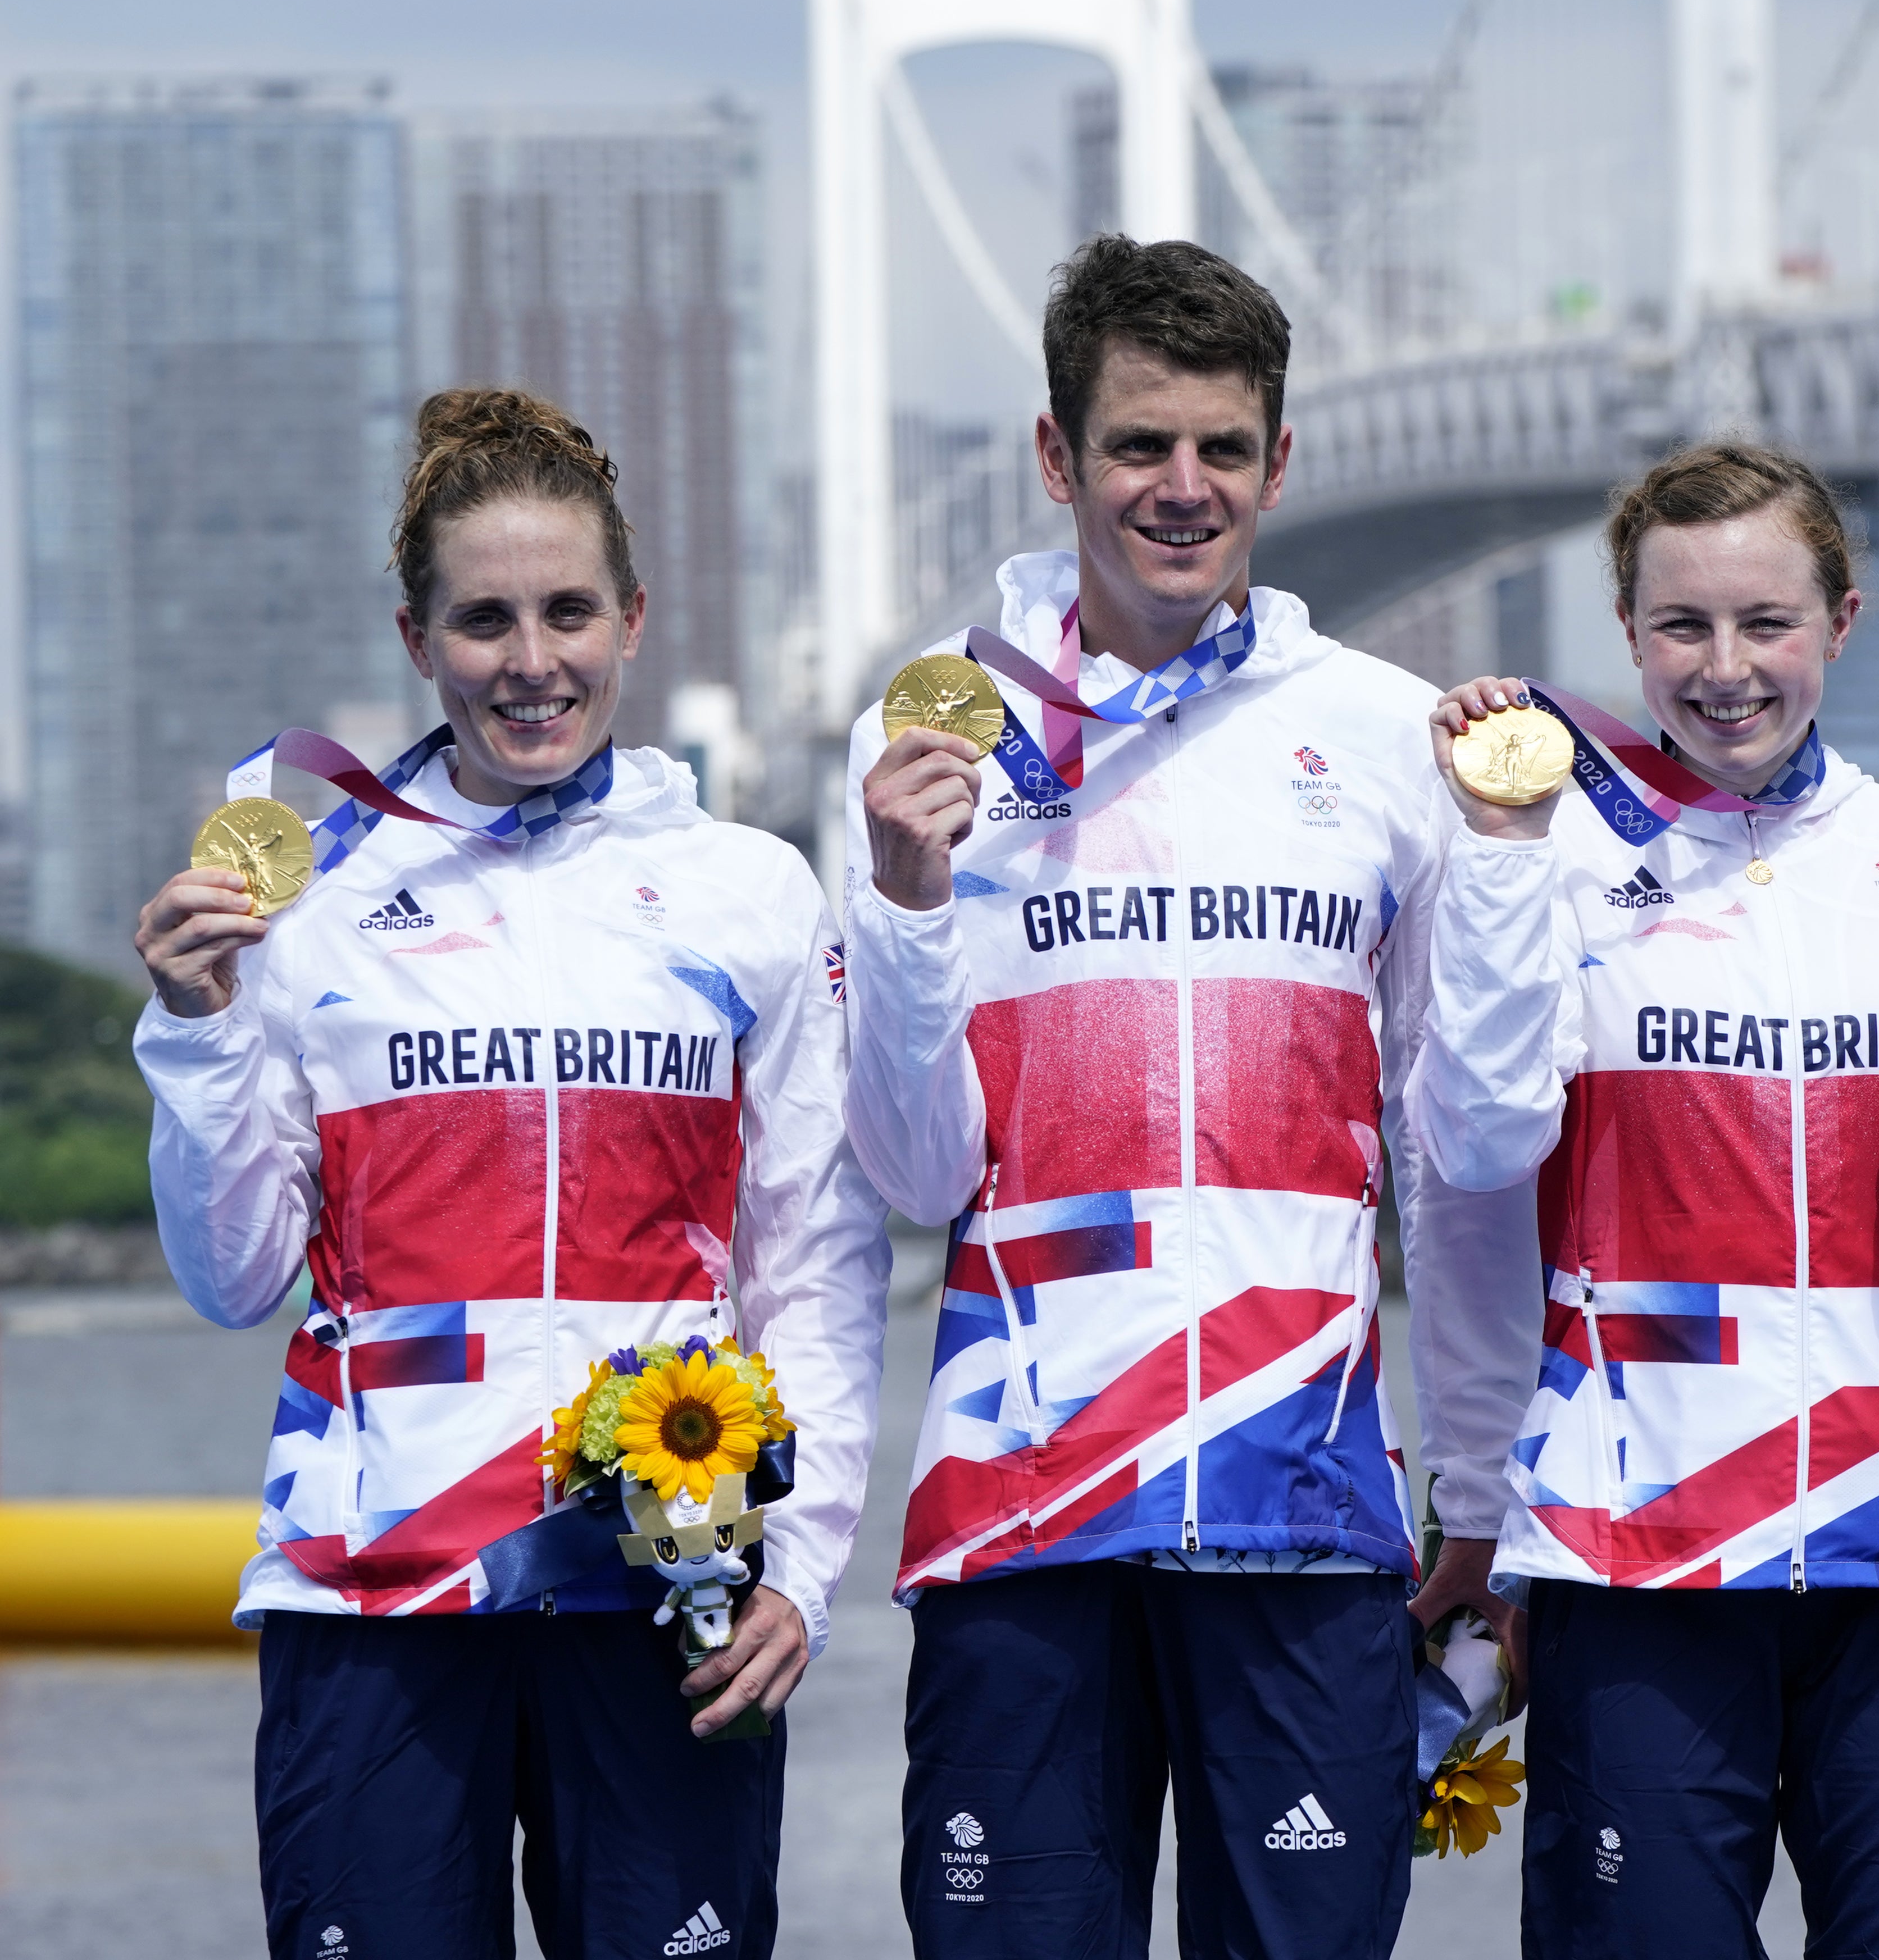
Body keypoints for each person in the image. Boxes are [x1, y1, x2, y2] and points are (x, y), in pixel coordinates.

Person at [131, 389, 891, 1959]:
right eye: (484, 618)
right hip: (375, 1597)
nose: (529, 660)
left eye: (565, 611)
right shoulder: (308, 901)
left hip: (664, 1587)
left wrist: (803, 1572)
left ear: (633, 617)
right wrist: (198, 1028)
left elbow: (817, 1264)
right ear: (416, 637)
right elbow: (231, 1275)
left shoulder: (750, 890)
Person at [844, 235, 1519, 1958]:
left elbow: (1452, 1165)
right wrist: (911, 906)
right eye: (1139, 445)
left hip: (1304, 1502)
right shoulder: (929, 735)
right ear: (1060, 458)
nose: (1182, 486)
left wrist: (1479, 1495)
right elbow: (920, 1176)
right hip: (1027, 1503)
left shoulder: (1389, 736)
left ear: (1281, 464)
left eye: (1224, 447)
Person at [1408, 442, 1879, 1958]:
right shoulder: (1537, 857)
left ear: (1845, 621)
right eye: (1682, 628)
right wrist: (1504, 852)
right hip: (1637, 1558)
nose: (1726, 670)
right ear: (1628, 634)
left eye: (1767, 622)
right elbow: (1474, 1155)